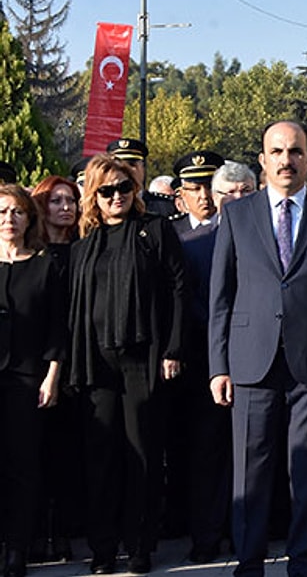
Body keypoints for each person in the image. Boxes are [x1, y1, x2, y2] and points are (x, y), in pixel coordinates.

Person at [208, 120, 307, 577]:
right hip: (251, 363)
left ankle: (306, 566)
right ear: (262, 159)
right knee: (250, 475)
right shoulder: (237, 214)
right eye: (276, 151)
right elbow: (221, 296)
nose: (286, 160)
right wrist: (218, 365)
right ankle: (248, 565)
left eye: (295, 151)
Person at [68, 155, 184, 575]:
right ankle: (102, 548)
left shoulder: (155, 230)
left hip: (143, 358)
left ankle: (139, 545)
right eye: (107, 190)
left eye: (124, 187)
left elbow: (178, 289)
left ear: (135, 190)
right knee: (100, 456)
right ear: (93, 196)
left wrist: (173, 350)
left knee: (143, 453)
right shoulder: (84, 244)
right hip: (94, 360)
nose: (117, 196)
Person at [175, 161, 255, 564]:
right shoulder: (193, 243)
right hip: (211, 363)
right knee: (208, 452)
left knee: (254, 454)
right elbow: (190, 303)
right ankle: (206, 535)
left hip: (261, 361)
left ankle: (248, 534)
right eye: (229, 193)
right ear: (216, 198)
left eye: (246, 191)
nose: (238, 199)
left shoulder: (273, 239)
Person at [0, 184, 67, 577]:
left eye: (17, 212)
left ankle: (17, 548)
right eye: (2, 212)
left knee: (22, 465)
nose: (9, 219)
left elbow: (57, 328)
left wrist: (52, 376)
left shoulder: (44, 267)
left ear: (29, 219)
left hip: (28, 380)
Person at [28, 176, 80, 562]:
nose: (65, 207)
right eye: (56, 200)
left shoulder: (84, 249)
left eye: (71, 200)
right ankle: (33, 534)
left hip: (78, 363)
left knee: (68, 453)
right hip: (36, 364)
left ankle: (64, 531)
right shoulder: (31, 254)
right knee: (34, 453)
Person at [170, 151, 224, 239]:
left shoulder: (233, 226)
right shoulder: (171, 230)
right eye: (196, 189)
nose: (204, 196)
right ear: (183, 194)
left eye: (210, 187)